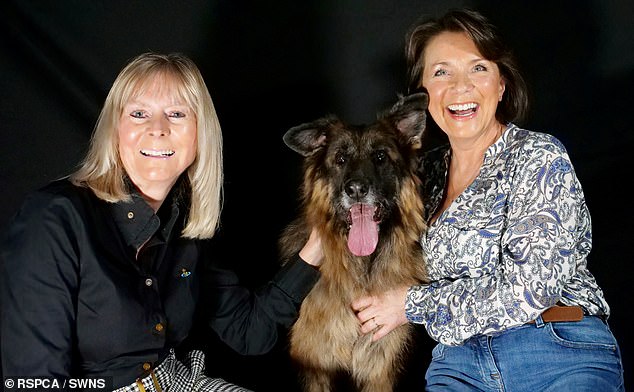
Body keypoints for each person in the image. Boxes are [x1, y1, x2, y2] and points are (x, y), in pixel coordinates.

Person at [1, 52, 323, 391]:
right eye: (139, 114)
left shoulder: (184, 228)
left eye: (176, 114)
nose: (158, 129)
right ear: (116, 129)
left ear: (200, 134)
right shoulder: (53, 218)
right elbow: (33, 383)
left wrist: (317, 246)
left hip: (176, 381)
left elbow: (250, 332)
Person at [351, 9, 625, 391]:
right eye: (441, 72)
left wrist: (410, 304)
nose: (460, 86)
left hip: (553, 348)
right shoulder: (420, 177)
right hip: (458, 365)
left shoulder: (537, 156)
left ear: (501, 85)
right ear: (422, 94)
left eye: (478, 68)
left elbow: (531, 287)